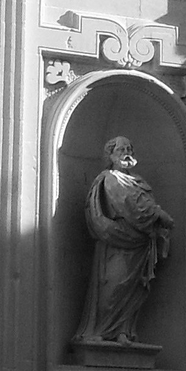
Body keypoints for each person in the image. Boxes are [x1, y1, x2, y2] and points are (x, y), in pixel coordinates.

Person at [74, 135, 173, 347]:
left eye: (129, 149)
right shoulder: (110, 178)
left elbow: (142, 204)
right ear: (111, 155)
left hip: (140, 245)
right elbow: (128, 205)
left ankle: (123, 331)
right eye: (121, 150)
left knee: (134, 289)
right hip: (117, 241)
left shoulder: (139, 182)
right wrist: (157, 215)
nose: (126, 153)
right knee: (114, 285)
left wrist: (155, 217)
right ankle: (102, 330)